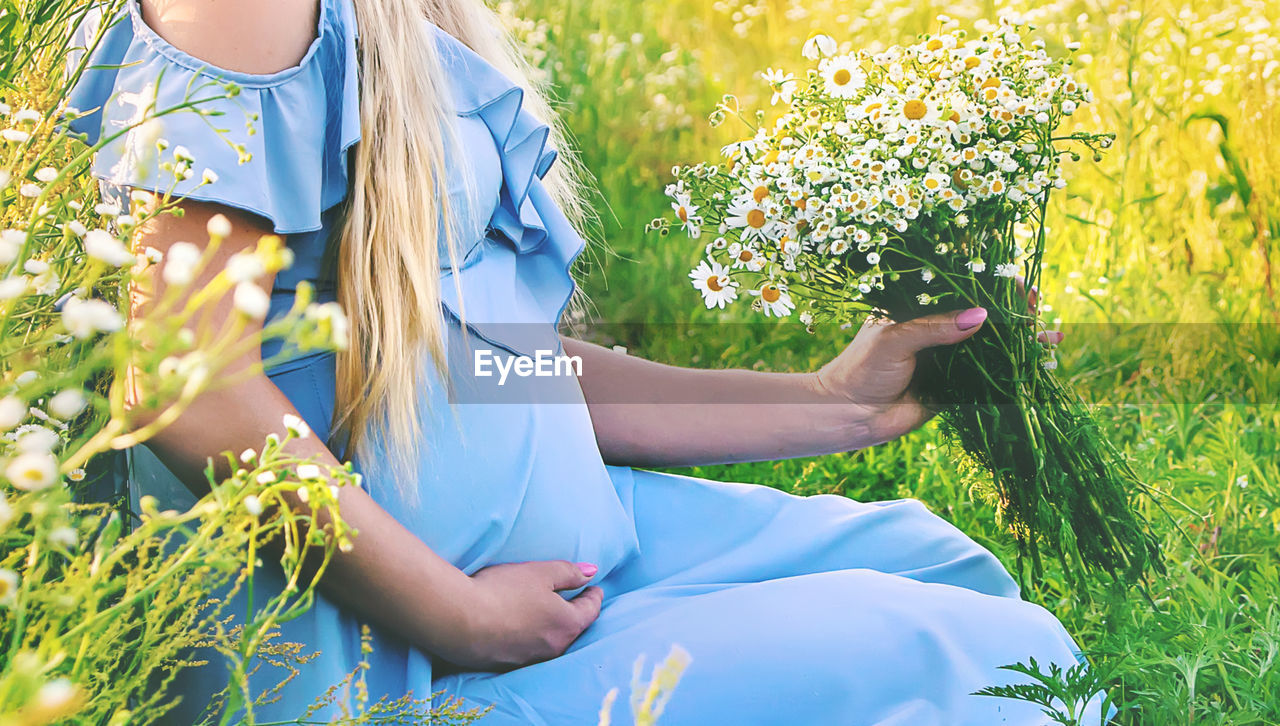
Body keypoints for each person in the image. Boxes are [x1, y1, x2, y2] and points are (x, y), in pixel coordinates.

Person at [68, 0, 1104, 722]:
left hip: (545, 581)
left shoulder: (409, 12)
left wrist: (837, 404)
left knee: (928, 567)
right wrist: (460, 616)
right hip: (384, 652)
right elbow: (184, 380)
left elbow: (479, 363)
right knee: (976, 658)